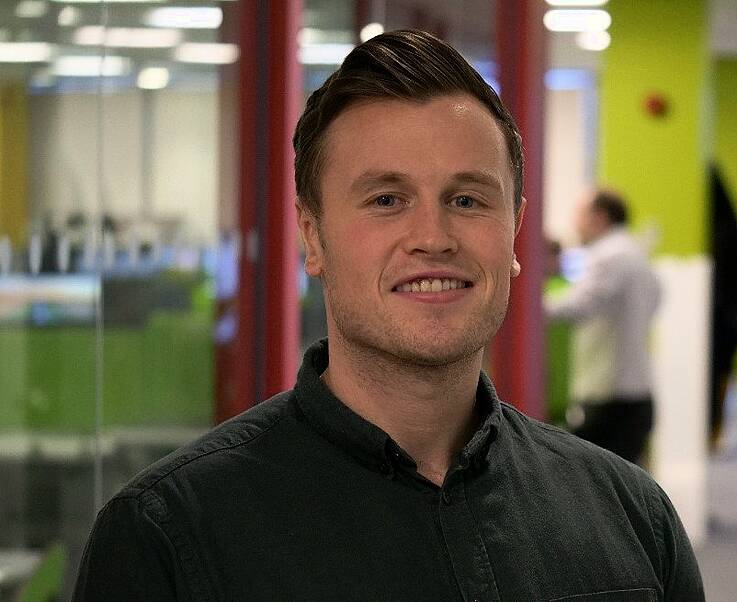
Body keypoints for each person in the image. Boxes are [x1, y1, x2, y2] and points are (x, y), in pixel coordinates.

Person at [74, 30, 703, 601]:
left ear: (513, 232)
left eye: (466, 198)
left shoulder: (632, 519)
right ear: (312, 236)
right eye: (386, 199)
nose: (432, 236)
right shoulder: (168, 537)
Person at [545, 190, 662, 465]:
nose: (575, 225)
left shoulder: (608, 256)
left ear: (599, 217)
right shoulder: (637, 254)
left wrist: (521, 307)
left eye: (579, 216)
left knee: (594, 483)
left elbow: (579, 305)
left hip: (610, 397)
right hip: (634, 392)